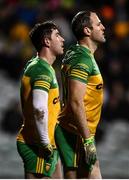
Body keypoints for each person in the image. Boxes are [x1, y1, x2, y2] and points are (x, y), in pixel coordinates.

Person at [55, 10, 106, 179]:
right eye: (98, 24)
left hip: (76, 132)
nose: (103, 27)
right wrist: (88, 141)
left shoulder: (77, 53)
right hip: (76, 133)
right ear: (87, 30)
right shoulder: (81, 58)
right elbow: (76, 101)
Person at [16, 21, 64, 179]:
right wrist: (44, 143)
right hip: (38, 146)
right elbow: (39, 109)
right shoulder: (40, 69)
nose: (62, 39)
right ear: (47, 41)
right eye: (57, 35)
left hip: (48, 144)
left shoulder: (43, 66)